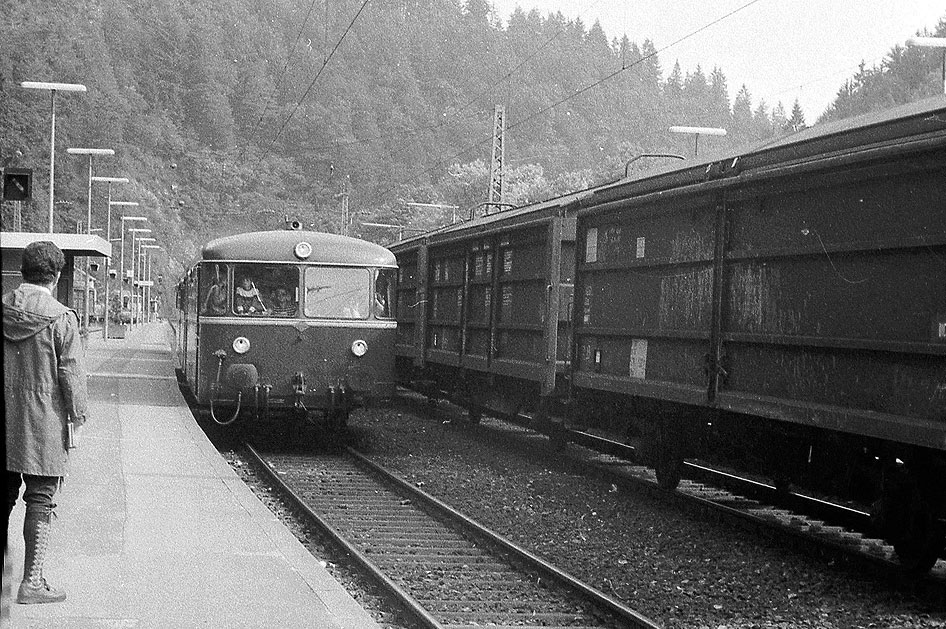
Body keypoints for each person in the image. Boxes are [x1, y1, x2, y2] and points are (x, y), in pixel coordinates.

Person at [3, 241, 88, 604]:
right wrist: (78, 419)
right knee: (40, 499)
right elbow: (71, 374)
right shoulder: (61, 318)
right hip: (44, 424)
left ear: (22, 271)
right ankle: (31, 583)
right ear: (56, 276)